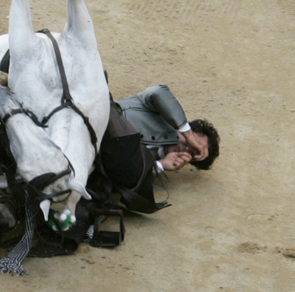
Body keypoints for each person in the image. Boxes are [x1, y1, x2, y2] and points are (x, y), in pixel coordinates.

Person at [91, 83, 220, 214]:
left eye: (192, 154)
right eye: (193, 143)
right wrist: (187, 133)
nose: (186, 149)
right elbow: (158, 92)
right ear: (189, 130)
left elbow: (121, 185)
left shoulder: (150, 169)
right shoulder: (157, 111)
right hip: (96, 120)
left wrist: (160, 165)